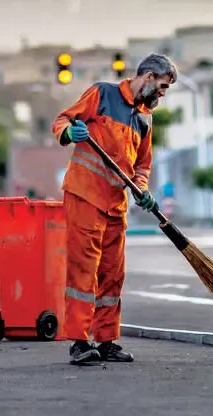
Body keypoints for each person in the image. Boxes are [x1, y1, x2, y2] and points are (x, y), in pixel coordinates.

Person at [51, 52, 177, 365]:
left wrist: (142, 188)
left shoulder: (145, 119)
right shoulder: (102, 95)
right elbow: (62, 120)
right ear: (148, 77)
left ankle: (106, 341)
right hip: (85, 196)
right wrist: (69, 133)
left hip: (114, 206)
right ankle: (80, 342)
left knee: (112, 275)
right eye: (162, 86)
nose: (163, 93)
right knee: (84, 272)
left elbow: (142, 164)